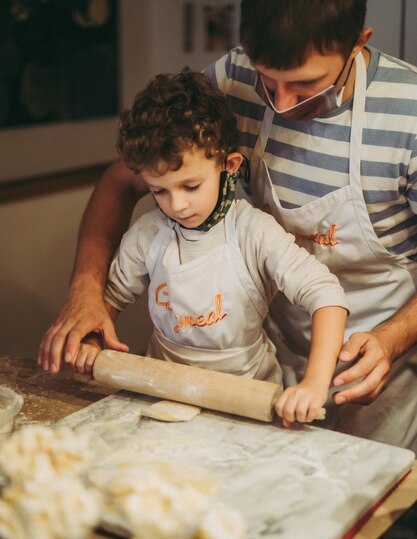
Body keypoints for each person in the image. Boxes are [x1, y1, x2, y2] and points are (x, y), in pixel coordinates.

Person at [38, 0, 417, 449]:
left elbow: (323, 292)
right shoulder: (232, 76)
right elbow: (125, 179)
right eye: (265, 79)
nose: (279, 104)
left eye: (304, 85)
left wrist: (392, 338)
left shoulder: (408, 114)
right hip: (260, 359)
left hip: (373, 359)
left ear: (358, 44)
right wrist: (85, 291)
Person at [72, 69, 348, 424]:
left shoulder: (253, 232)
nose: (176, 205)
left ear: (228, 165)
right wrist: (93, 344)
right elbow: (109, 299)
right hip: (162, 392)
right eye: (159, 191)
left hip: (249, 401)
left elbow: (326, 295)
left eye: (190, 186)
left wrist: (313, 383)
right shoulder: (149, 234)